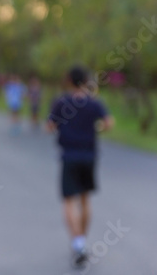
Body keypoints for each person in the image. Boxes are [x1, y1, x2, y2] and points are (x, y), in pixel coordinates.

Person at [47, 66, 114, 269]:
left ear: (68, 80)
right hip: (88, 156)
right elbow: (109, 123)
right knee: (85, 200)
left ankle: (78, 244)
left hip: (69, 156)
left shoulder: (61, 102)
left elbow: (49, 126)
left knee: (69, 201)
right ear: (85, 80)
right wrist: (96, 128)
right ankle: (81, 242)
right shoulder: (93, 103)